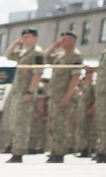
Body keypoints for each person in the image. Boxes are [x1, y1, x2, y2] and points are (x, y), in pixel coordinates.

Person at [42, 31, 85, 164]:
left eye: (65, 40)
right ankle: (54, 150)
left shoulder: (75, 56)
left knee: (61, 124)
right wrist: (54, 46)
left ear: (73, 41)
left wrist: (67, 96)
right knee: (54, 124)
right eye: (61, 39)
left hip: (65, 95)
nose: (62, 42)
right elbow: (45, 56)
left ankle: (59, 153)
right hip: (55, 95)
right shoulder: (60, 56)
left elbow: (75, 77)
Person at [5, 30, 44, 163]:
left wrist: (30, 92)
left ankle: (18, 153)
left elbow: (37, 73)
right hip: (17, 92)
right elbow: (8, 55)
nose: (25, 39)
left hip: (25, 92)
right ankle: (16, 150)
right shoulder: (23, 53)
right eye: (23, 37)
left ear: (35, 38)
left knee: (21, 123)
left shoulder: (37, 53)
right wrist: (15, 43)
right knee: (14, 122)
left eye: (27, 37)